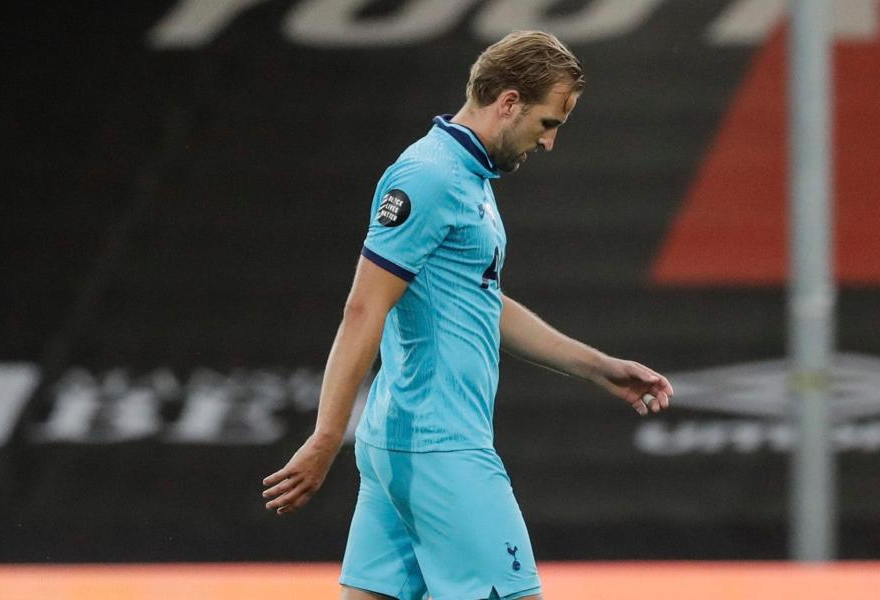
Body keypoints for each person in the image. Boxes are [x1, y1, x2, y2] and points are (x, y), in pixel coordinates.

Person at [262, 30, 673, 600]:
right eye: (548, 123)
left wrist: (598, 366)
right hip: (439, 448)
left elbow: (479, 302)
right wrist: (328, 435)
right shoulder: (430, 176)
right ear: (508, 102)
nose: (549, 142)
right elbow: (364, 308)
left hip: (404, 443)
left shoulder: (468, 175)